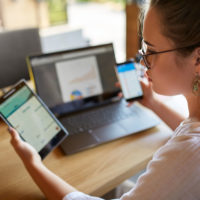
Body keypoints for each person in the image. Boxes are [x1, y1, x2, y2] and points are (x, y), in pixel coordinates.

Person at [8, 0, 200, 199]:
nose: (143, 61)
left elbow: (190, 147)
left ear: (198, 59)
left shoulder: (188, 153)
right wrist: (152, 102)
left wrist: (33, 164)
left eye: (151, 51)